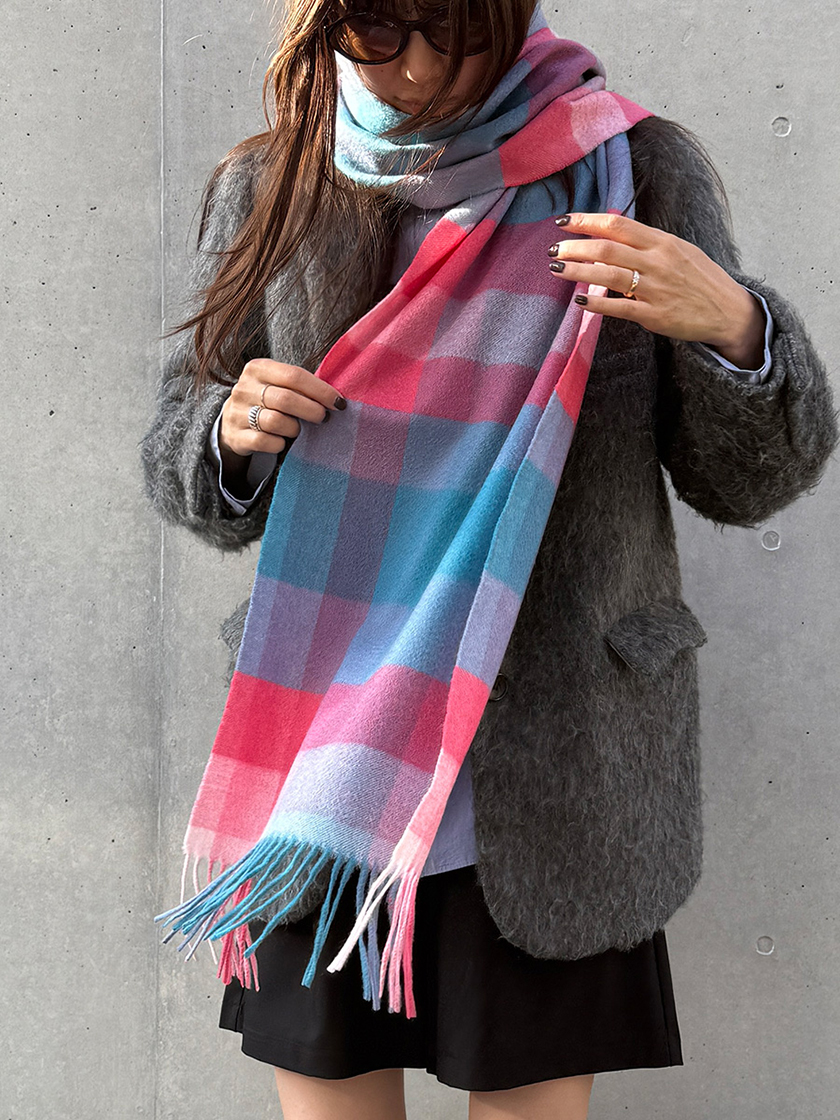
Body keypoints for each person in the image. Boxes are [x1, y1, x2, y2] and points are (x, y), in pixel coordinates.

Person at [141, 2, 838, 1118]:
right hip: (333, 748)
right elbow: (182, 448)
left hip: (553, 756)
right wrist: (226, 435)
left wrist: (735, 329)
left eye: (457, 32)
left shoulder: (632, 168)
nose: (420, 70)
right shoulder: (276, 182)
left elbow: (746, 483)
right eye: (379, 30)